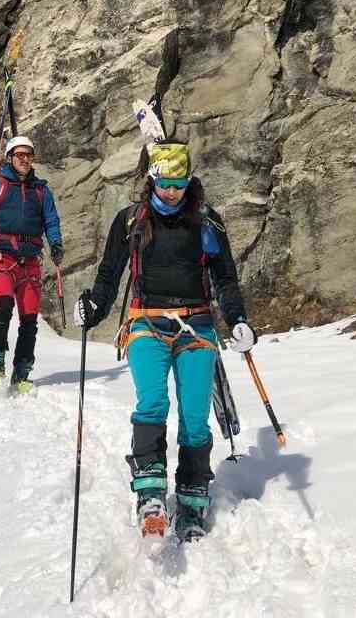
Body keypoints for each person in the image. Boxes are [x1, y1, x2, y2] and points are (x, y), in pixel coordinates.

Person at [73, 141, 257, 541]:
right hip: (146, 322)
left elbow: (225, 278)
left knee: (194, 416)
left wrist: (238, 319)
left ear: (189, 181)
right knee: (153, 402)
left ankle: (191, 501)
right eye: (164, 184)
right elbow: (109, 274)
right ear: (151, 180)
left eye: (179, 184)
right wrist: (94, 307)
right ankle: (151, 494)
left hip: (197, 326)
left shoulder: (207, 222)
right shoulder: (130, 220)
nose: (172, 192)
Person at [0, 136, 64, 393]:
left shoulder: (41, 190)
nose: (24, 159)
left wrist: (56, 243)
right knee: (4, 307)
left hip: (30, 260)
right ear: (10, 157)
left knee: (30, 319)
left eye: (28, 155)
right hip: (3, 256)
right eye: (20, 155)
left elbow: (51, 220)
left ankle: (22, 372)